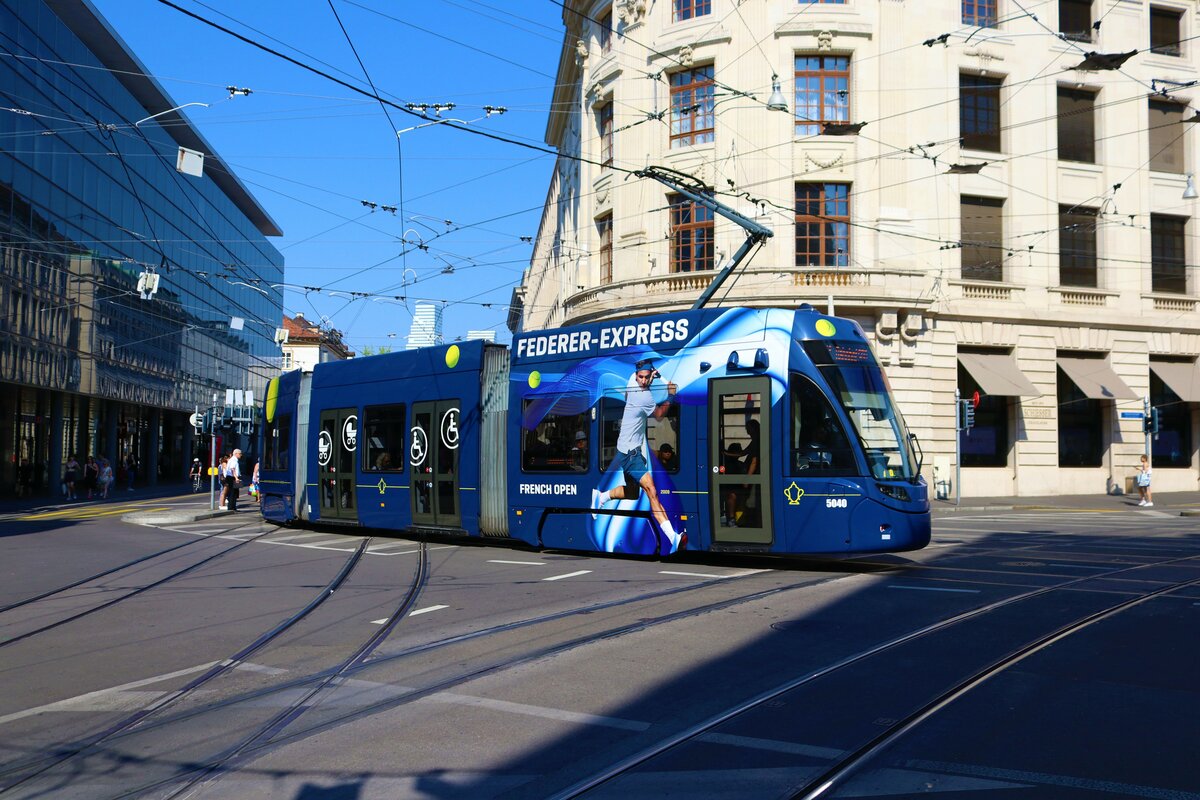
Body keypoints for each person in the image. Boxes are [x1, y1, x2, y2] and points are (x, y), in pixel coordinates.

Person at [590, 359, 682, 548]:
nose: (642, 381)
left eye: (646, 377)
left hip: (628, 448)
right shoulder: (644, 398)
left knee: (632, 493)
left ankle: (601, 497)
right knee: (652, 491)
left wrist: (654, 375)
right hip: (629, 453)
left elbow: (644, 374)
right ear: (637, 376)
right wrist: (670, 396)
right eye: (640, 377)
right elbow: (659, 416)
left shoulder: (631, 381)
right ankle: (673, 538)